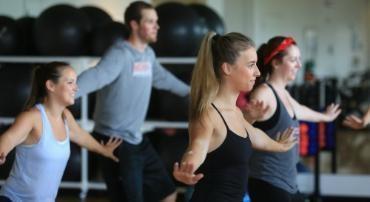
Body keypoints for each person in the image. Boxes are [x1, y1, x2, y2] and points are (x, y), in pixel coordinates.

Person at [75, 1, 190, 202]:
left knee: (168, 193)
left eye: (156, 21)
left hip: (135, 138)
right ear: (135, 25)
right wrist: (64, 93)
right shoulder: (120, 54)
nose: (157, 26)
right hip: (115, 140)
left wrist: (193, 93)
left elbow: (163, 78)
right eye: (150, 22)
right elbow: (96, 76)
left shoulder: (147, 55)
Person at [172, 32, 297, 202]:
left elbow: (255, 136)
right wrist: (188, 166)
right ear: (227, 68)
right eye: (251, 65)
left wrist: (279, 146)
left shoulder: (236, 113)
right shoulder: (209, 113)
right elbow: (197, 147)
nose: (258, 72)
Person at [0, 62, 122, 202]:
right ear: (51, 86)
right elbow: (9, 139)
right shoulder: (32, 118)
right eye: (70, 82)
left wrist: (103, 150)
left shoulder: (65, 117)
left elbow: (81, 136)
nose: (76, 88)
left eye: (75, 83)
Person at [247, 36, 341, 202]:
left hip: (288, 184)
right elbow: (239, 129)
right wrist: (247, 117)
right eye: (293, 60)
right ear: (276, 63)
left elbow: (300, 111)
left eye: (299, 59)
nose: (299, 65)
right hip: (267, 182)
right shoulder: (264, 94)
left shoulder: (284, 94)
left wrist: (325, 117)